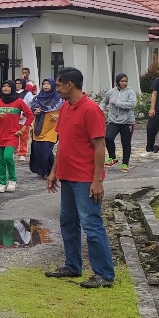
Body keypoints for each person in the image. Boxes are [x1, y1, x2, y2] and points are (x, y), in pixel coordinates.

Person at [46, 67, 114, 289]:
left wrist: (97, 180)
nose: (56, 89)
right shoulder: (65, 107)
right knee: (68, 222)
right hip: (67, 176)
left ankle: (104, 274)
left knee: (91, 224)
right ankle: (73, 265)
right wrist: (55, 171)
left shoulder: (91, 110)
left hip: (85, 179)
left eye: (58, 85)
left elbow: (99, 146)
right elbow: (62, 143)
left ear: (69, 85)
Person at [0, 79, 33, 193]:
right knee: (0, 160)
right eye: (3, 86)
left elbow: (30, 115)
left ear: (12, 88)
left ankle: (12, 180)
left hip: (12, 135)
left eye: (8, 86)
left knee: (7, 157)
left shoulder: (19, 101)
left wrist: (23, 129)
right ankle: (2, 182)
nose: (5, 88)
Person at [27, 77, 64, 180]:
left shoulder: (59, 99)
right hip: (39, 128)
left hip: (52, 128)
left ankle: (51, 171)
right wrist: (35, 112)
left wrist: (58, 116)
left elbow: (66, 111)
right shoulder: (38, 98)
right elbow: (31, 111)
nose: (46, 86)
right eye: (44, 84)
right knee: (39, 151)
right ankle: (45, 171)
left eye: (48, 84)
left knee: (45, 151)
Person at [102, 73, 138, 169]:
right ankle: (112, 157)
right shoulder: (111, 92)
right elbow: (104, 102)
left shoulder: (130, 92)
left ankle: (125, 163)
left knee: (125, 143)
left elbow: (132, 104)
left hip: (127, 122)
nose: (124, 83)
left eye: (125, 81)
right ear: (117, 81)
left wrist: (118, 103)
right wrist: (99, 110)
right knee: (108, 137)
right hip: (113, 120)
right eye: (122, 81)